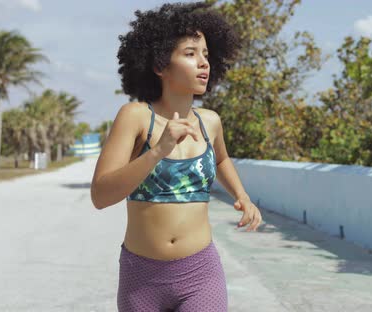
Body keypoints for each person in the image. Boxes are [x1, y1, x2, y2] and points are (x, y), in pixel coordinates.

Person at [91, 2, 263, 311]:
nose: (203, 63)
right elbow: (101, 195)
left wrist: (243, 196)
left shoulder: (210, 121)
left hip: (200, 273)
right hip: (141, 277)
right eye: (190, 53)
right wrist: (158, 151)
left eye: (206, 55)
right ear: (159, 65)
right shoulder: (135, 117)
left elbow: (221, 159)